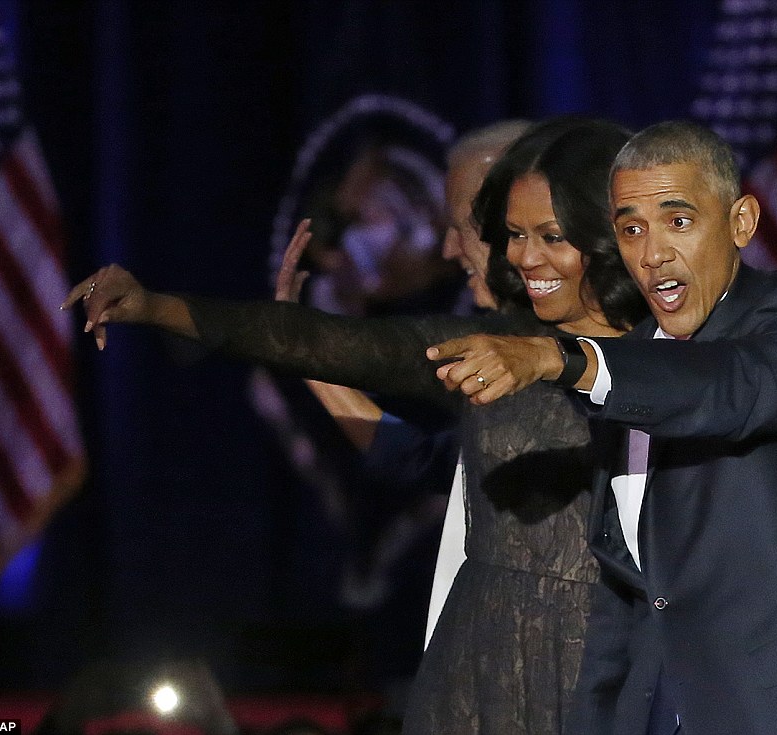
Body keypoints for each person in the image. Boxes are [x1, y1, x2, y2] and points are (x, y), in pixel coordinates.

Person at [63, 118, 648, 733]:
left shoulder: (681, 356)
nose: (516, 255)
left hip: (614, 670)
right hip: (491, 669)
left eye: (545, 234)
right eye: (510, 233)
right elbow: (414, 451)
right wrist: (160, 307)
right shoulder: (489, 349)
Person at [427, 120, 777, 734]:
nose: (652, 254)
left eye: (678, 221)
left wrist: (561, 356)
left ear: (740, 223)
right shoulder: (639, 365)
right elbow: (629, 600)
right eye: (631, 229)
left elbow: (726, 388)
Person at [277, 119, 533, 655]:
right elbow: (422, 459)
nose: (446, 250)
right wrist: (302, 351)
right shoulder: (483, 354)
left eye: (471, 224)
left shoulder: (636, 358)